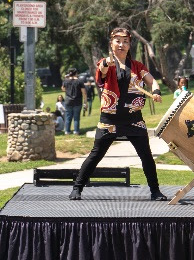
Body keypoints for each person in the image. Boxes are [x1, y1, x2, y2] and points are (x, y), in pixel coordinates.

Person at [69, 27, 167, 201]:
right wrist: (107, 62)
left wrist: (156, 91)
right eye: (118, 41)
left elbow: (151, 81)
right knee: (96, 154)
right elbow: (102, 71)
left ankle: (155, 191)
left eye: (126, 41)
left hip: (133, 119)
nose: (122, 44)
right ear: (111, 43)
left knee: (146, 156)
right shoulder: (106, 63)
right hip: (110, 119)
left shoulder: (137, 66)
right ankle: (77, 188)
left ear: (129, 45)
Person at [61, 68, 87, 135]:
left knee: (68, 117)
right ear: (76, 73)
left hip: (68, 101)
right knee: (76, 117)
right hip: (77, 101)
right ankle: (76, 131)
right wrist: (85, 102)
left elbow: (63, 89)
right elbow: (84, 92)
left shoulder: (66, 81)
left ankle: (67, 131)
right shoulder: (79, 81)